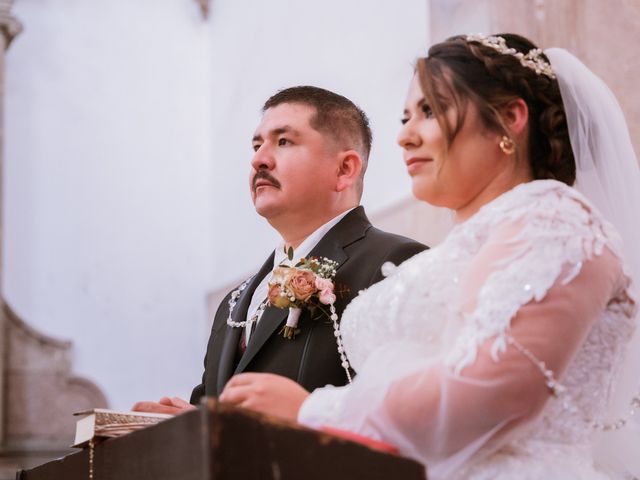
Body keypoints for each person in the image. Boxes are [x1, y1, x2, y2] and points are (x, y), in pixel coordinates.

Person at [218, 35, 640, 479]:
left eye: (429, 111)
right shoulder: (469, 245)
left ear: (510, 118)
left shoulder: (554, 221)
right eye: (404, 116)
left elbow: (496, 393)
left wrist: (311, 411)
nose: (404, 135)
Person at [132, 86, 427, 416]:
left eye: (283, 141)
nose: (258, 159)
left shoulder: (396, 264)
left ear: (345, 169)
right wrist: (188, 427)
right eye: (257, 145)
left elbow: (405, 419)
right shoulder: (233, 303)